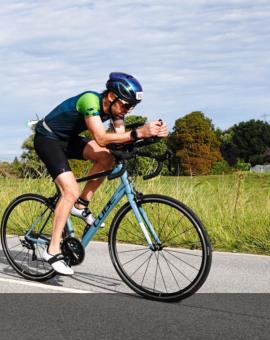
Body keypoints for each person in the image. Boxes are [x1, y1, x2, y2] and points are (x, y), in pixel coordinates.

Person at [32, 72, 168, 275]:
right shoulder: (90, 100)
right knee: (70, 190)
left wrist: (151, 136)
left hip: (68, 140)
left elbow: (119, 138)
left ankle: (80, 205)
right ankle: (52, 251)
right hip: (48, 139)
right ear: (111, 96)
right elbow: (102, 138)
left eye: (132, 107)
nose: (127, 110)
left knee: (106, 158)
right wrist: (139, 132)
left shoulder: (117, 112)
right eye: (125, 105)